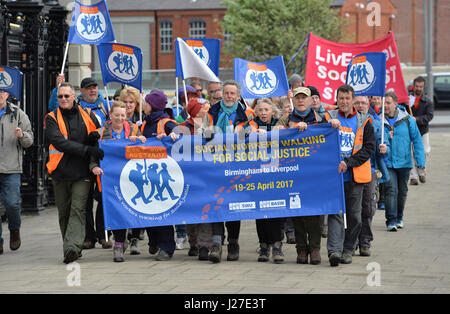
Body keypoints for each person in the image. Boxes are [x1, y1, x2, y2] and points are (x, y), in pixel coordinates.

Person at [276, 87, 340, 265]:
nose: (300, 101)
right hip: (293, 173)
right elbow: (276, 135)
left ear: (311, 100)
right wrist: (288, 129)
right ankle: (301, 249)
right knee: (296, 212)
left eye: (304, 98)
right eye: (298, 98)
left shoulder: (322, 118)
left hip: (315, 174)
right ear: (293, 101)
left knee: (314, 213)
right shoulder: (286, 119)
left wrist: (334, 125)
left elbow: (331, 137)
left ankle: (315, 249)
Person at [44, 82, 102, 263]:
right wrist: (87, 150)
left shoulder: (88, 115)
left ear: (74, 97)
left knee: (78, 209)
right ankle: (71, 245)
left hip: (83, 173)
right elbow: (59, 142)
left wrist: (95, 138)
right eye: (60, 96)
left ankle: (72, 247)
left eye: (66, 96)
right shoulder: (51, 118)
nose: (63, 99)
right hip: (59, 172)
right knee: (64, 212)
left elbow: (98, 136)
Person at [89, 101, 146, 262]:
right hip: (111, 178)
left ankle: (133, 238)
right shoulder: (101, 133)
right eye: (116, 115)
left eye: (123, 115)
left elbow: (144, 149)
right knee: (117, 210)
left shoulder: (134, 129)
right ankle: (119, 244)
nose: (120, 118)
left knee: (133, 208)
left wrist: (140, 140)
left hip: (132, 176)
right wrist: (94, 167)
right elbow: (94, 155)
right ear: (110, 115)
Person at [326, 85, 376, 267]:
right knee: (335, 213)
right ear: (337, 99)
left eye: (347, 98)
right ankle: (334, 251)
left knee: (355, 215)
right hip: (333, 176)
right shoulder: (328, 118)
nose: (344, 102)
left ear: (353, 100)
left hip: (355, 176)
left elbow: (369, 148)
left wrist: (349, 162)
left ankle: (348, 248)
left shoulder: (365, 121)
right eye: (341, 98)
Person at [238, 98, 285, 263]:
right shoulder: (251, 125)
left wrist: (277, 133)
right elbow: (237, 140)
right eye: (260, 110)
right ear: (256, 112)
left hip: (276, 175)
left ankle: (277, 246)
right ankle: (264, 246)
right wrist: (251, 135)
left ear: (272, 111)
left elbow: (292, 141)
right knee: (260, 213)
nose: (263, 113)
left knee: (276, 211)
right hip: (256, 176)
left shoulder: (280, 124)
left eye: (266, 110)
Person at [207, 80, 250, 263]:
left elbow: (252, 132)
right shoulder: (212, 112)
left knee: (234, 204)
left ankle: (233, 242)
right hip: (216, 164)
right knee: (216, 200)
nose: (229, 96)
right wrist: (208, 133)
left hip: (237, 165)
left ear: (238, 96)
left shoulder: (246, 113)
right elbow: (204, 133)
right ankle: (216, 243)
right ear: (222, 94)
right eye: (226, 93)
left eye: (233, 93)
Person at [141, 90, 178, 261]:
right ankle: (153, 241)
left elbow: (182, 134)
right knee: (148, 209)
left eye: (146, 102)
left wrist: (173, 136)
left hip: (163, 173)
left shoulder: (167, 122)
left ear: (153, 105)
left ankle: (167, 247)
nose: (143, 105)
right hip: (147, 172)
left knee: (162, 212)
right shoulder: (144, 124)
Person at [382, 91, 425, 231]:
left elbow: (417, 141)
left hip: (405, 163)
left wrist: (420, 163)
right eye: (384, 103)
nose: (386, 106)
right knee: (390, 190)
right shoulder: (379, 120)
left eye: (388, 103)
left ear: (395, 104)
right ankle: (391, 220)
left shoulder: (407, 119)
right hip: (387, 163)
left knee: (402, 192)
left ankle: (399, 217)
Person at [178, 97, 214, 260]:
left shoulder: (211, 126)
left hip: (207, 174)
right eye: (201, 108)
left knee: (205, 209)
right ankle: (193, 243)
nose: (205, 110)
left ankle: (205, 245)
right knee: (191, 210)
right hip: (188, 175)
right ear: (194, 112)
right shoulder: (182, 128)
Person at [0, 89, 33, 255]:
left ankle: (14, 230)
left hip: (11, 166)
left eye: (2, 91)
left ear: (7, 94)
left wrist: (22, 136)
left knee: (12, 203)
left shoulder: (17, 113)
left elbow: (30, 140)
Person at [354, 96, 388, 256]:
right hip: (351, 170)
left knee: (367, 209)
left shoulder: (376, 123)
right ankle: (352, 241)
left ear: (369, 106)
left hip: (370, 171)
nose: (360, 106)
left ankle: (365, 241)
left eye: (363, 103)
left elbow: (385, 146)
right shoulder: (349, 121)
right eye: (357, 103)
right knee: (352, 209)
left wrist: (384, 150)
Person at [409, 76, 433, 185]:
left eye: (421, 87)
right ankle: (413, 176)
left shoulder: (428, 101)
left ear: (423, 87)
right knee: (410, 153)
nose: (418, 88)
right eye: (417, 86)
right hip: (410, 131)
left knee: (424, 152)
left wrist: (417, 119)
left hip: (423, 131)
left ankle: (421, 172)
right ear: (413, 86)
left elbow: (429, 116)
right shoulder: (408, 99)